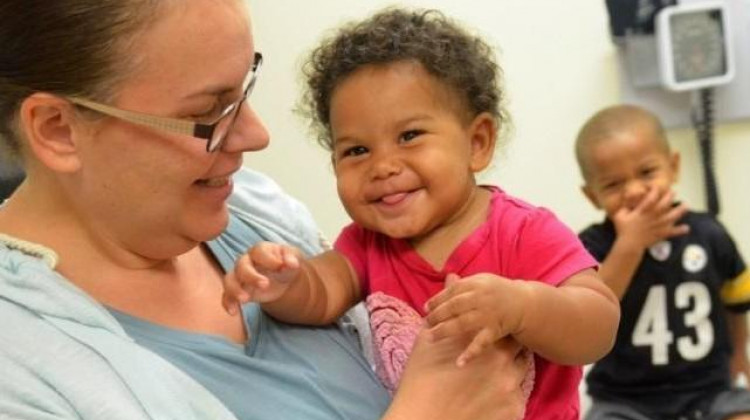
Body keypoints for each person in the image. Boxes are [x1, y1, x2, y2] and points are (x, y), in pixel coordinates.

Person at [0, 1, 533, 419]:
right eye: (209, 112)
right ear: (58, 130)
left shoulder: (255, 211)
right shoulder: (19, 372)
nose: (257, 135)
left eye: (244, 88)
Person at [222, 8, 620, 420]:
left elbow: (599, 323)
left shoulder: (523, 230)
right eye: (356, 150)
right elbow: (321, 295)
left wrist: (522, 307)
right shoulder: (365, 244)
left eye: (409, 136)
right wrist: (284, 283)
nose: (383, 166)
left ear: (477, 143)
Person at [575, 104, 750, 420]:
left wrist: (739, 354)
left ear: (673, 167)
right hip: (624, 399)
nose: (634, 190)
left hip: (708, 390)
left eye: (647, 173)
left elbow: (737, 301)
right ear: (592, 196)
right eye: (613, 184)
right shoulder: (591, 245)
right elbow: (591, 307)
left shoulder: (708, 232)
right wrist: (630, 244)